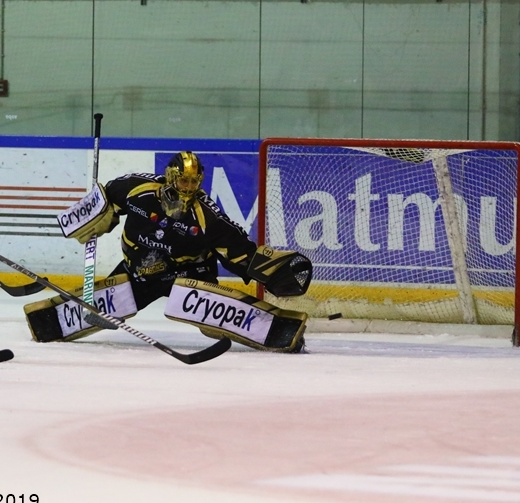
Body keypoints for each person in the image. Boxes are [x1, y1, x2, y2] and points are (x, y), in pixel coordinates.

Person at [26, 151, 312, 353]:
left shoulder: (207, 217)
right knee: (102, 309)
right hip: (137, 271)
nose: (188, 188)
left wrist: (273, 272)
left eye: (194, 182)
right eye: (183, 181)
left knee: (212, 326)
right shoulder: (136, 189)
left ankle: (278, 331)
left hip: (187, 275)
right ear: (171, 177)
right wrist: (90, 217)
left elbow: (241, 254)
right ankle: (52, 323)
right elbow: (105, 197)